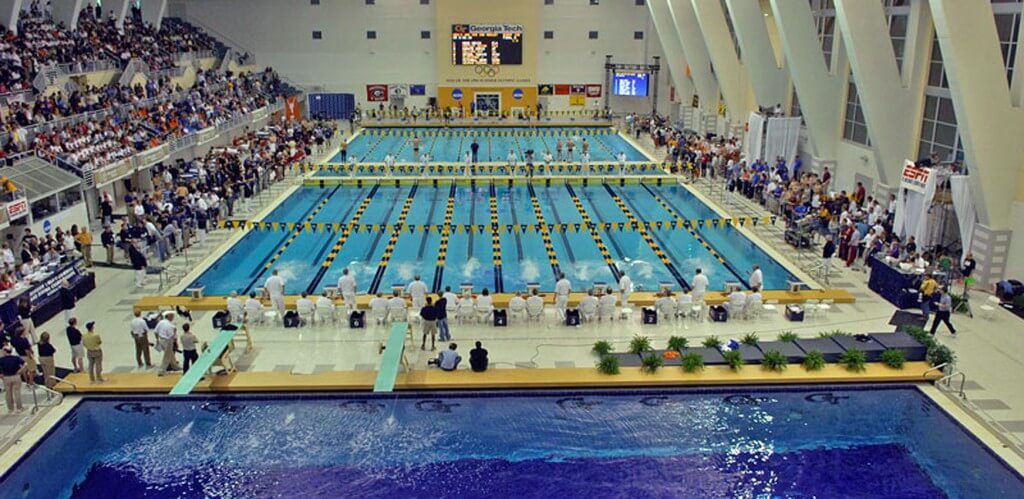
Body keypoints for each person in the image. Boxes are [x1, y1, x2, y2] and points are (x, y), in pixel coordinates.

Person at [1, 345, 25, 413]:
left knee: (8, 393)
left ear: (5, 351)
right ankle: (19, 408)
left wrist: (1, 375)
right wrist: (20, 370)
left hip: (6, 377)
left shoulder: (1, 360)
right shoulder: (16, 358)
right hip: (16, 376)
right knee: (17, 392)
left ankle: (10, 408)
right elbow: (25, 364)